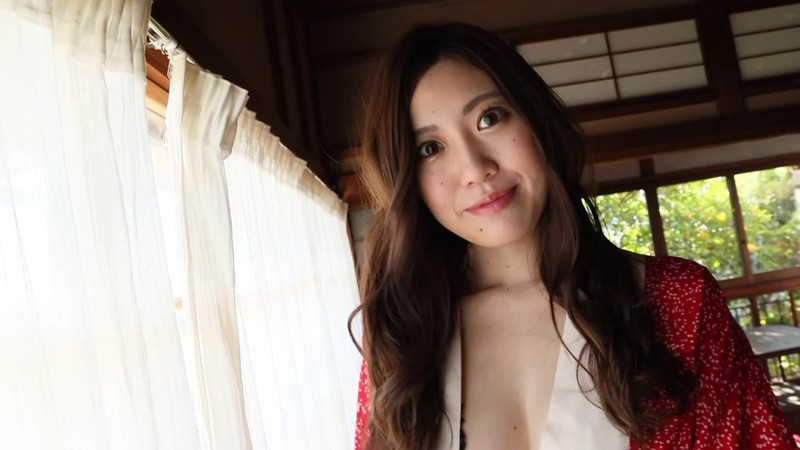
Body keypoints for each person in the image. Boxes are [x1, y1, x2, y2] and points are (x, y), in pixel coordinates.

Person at [349, 22, 792, 450]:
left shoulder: (680, 300)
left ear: (536, 122)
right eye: (430, 148)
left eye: (489, 118)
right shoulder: (401, 335)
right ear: (408, 180)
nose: (475, 169)